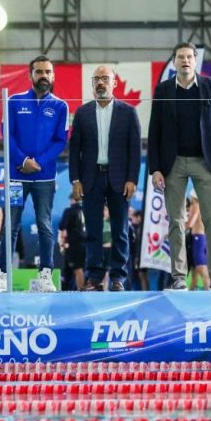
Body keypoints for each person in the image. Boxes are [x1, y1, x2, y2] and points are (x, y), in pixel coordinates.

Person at [147, 43, 211, 291]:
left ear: (196, 61)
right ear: (174, 62)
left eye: (189, 57)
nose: (185, 60)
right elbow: (155, 132)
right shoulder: (163, 90)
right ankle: (179, 278)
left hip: (205, 163)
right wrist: (156, 169)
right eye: (180, 57)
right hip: (173, 164)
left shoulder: (210, 87)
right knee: (175, 221)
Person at [0, 55, 67, 293]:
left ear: (53, 75)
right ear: (30, 75)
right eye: (39, 72)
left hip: (45, 178)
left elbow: (61, 141)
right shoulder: (14, 102)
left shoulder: (60, 106)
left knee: (45, 225)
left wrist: (37, 162)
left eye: (48, 72)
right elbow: (6, 134)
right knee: (10, 225)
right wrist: (23, 161)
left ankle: (45, 276)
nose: (43, 76)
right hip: (17, 176)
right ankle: (0, 276)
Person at [69, 66, 141, 292]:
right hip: (90, 178)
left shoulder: (129, 112)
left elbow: (135, 149)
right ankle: (95, 277)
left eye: (105, 79)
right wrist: (75, 179)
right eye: (97, 79)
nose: (101, 83)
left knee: (120, 230)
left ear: (114, 83)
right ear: (92, 84)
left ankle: (119, 277)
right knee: (93, 230)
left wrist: (132, 179)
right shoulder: (82, 113)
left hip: (120, 179)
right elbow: (74, 149)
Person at [57, 192, 86, 291]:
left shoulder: (69, 211)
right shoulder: (87, 210)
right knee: (85, 269)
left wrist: (63, 243)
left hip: (74, 244)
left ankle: (81, 290)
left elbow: (62, 228)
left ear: (72, 199)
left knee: (78, 270)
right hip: (88, 243)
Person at [184, 197, 210, 291]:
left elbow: (190, 224)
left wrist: (174, 230)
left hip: (198, 238)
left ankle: (210, 293)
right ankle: (190, 295)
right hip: (200, 238)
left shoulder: (196, 205)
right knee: (194, 272)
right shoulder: (203, 205)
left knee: (201, 267)